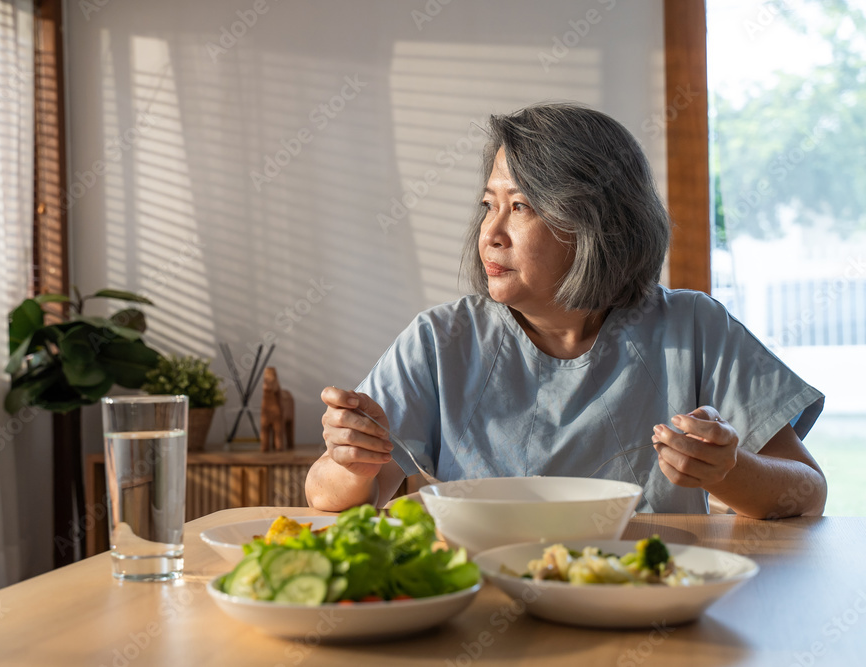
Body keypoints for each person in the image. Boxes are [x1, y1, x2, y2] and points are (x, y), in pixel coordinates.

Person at [305, 102, 827, 518]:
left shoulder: (695, 327)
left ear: (595, 223)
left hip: (643, 602)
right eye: (489, 205)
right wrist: (352, 462)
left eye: (521, 207)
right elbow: (324, 497)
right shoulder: (439, 340)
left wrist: (728, 471)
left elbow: (807, 493)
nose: (490, 233)